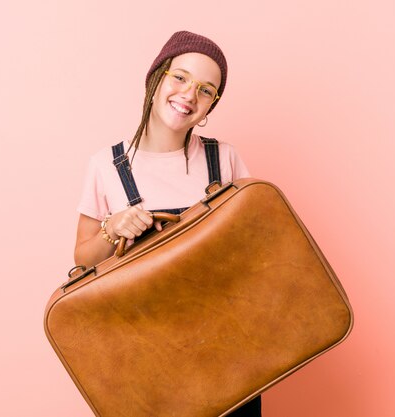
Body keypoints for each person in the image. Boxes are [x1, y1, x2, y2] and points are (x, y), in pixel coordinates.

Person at [73, 30, 261, 417]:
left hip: (229, 349)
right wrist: (113, 228)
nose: (190, 95)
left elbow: (256, 249)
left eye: (206, 90)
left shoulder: (223, 159)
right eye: (181, 77)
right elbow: (81, 260)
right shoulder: (106, 166)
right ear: (157, 78)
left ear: (211, 105)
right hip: (147, 354)